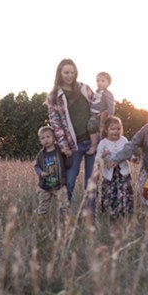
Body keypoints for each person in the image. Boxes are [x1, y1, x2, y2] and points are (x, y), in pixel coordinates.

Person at [46, 59, 97, 208]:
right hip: (72, 145)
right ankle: (65, 217)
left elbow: (97, 109)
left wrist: (98, 132)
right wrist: (63, 146)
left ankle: (90, 218)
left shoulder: (84, 89)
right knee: (69, 181)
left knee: (91, 183)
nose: (69, 76)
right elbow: (56, 123)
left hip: (92, 142)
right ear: (60, 73)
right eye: (66, 72)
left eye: (72, 72)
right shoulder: (54, 96)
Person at [95, 116, 133, 219]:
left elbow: (128, 153)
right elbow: (97, 159)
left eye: (118, 129)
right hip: (109, 174)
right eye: (113, 129)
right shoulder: (103, 143)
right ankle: (110, 215)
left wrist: (133, 158)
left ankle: (124, 214)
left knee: (123, 192)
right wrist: (103, 156)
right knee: (111, 193)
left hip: (123, 172)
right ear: (106, 130)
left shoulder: (124, 140)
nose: (116, 131)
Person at [34, 125, 68, 218]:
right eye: (42, 138)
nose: (45, 140)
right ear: (40, 141)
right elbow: (36, 166)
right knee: (43, 206)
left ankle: (67, 221)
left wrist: (67, 154)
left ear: (54, 138)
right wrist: (41, 173)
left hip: (59, 184)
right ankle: (41, 221)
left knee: (64, 204)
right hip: (45, 186)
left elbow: (68, 163)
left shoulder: (59, 151)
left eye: (48, 137)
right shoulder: (40, 155)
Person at [87, 71, 116, 152]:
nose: (99, 83)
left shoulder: (108, 94)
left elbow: (111, 106)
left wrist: (110, 117)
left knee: (92, 127)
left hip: (100, 116)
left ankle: (94, 146)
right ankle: (95, 144)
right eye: (98, 81)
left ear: (108, 83)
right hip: (92, 114)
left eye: (103, 81)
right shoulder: (96, 93)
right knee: (93, 129)